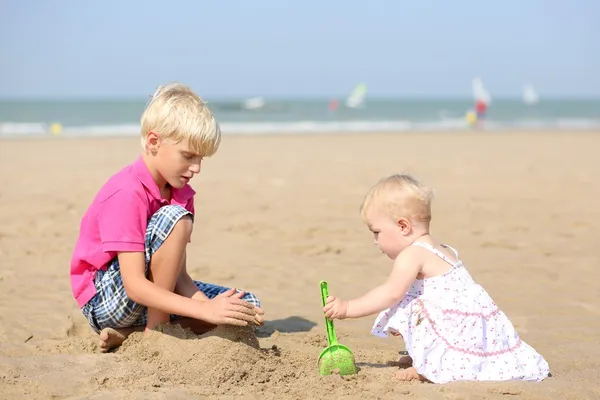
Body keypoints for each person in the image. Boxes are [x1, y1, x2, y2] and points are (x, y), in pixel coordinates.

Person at [70, 83, 264, 352]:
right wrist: (204, 312)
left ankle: (132, 333)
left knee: (246, 307)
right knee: (175, 217)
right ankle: (157, 330)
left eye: (201, 158)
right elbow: (135, 285)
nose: (196, 168)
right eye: (188, 156)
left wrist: (211, 308)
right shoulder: (126, 192)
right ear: (154, 142)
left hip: (146, 299)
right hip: (108, 299)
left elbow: (179, 277)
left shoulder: (181, 192)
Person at [323, 174, 550, 383]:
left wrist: (347, 308)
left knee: (412, 302)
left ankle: (429, 368)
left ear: (403, 226)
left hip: (457, 324)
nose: (375, 241)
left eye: (376, 232)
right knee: (418, 298)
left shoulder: (412, 255)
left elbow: (390, 293)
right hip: (471, 326)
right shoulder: (442, 249)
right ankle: (426, 356)